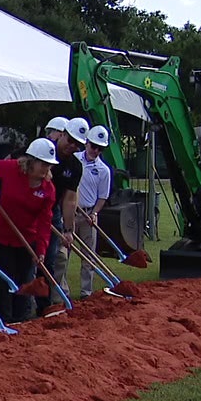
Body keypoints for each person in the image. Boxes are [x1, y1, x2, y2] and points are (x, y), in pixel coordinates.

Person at [0, 138, 59, 323]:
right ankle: (3, 319)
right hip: (2, 233)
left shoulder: (48, 189)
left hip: (28, 238)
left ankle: (22, 320)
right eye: (43, 164)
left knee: (25, 281)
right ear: (31, 161)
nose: (46, 169)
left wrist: (41, 251)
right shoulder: (11, 169)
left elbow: (45, 222)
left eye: (49, 165)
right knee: (5, 278)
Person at [38, 116, 87, 311]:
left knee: (51, 259)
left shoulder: (75, 166)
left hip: (52, 211)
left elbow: (69, 199)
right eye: (71, 141)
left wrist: (69, 229)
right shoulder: (41, 148)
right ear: (62, 134)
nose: (72, 146)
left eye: (78, 145)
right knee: (29, 260)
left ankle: (45, 305)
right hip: (30, 209)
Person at [75, 125, 113, 299]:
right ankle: (60, 294)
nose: (96, 151)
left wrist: (95, 213)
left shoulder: (104, 170)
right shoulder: (73, 160)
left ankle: (86, 293)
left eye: (100, 148)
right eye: (93, 146)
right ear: (86, 143)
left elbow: (102, 197)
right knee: (61, 255)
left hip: (89, 214)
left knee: (89, 257)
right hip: (71, 212)